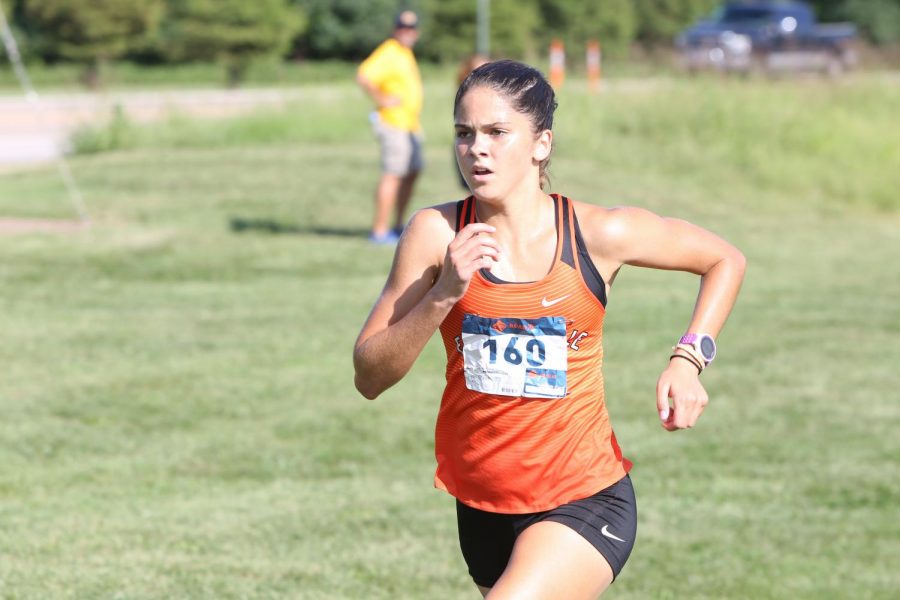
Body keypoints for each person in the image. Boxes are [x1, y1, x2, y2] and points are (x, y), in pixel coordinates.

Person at [353, 60, 746, 598]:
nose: (476, 149)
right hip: (484, 505)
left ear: (541, 144)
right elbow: (370, 376)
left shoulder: (597, 232)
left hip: (584, 497)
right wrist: (444, 291)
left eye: (496, 132)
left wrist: (688, 359)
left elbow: (724, 259)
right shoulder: (435, 232)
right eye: (464, 134)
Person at [356, 10, 424, 244]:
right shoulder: (390, 51)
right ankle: (379, 230)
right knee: (393, 174)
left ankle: (397, 225)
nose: (408, 32)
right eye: (403, 27)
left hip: (409, 125)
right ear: (396, 29)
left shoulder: (405, 53)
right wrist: (382, 99)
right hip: (394, 124)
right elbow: (364, 75)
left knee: (412, 172)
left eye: (412, 28)